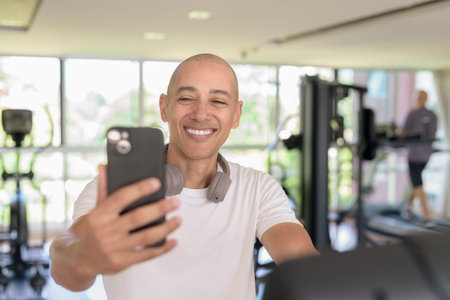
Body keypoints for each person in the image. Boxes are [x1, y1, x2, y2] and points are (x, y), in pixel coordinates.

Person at [50, 53, 318, 299]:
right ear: (164, 107)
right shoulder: (114, 188)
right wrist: (83, 256)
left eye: (218, 101)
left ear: (236, 114)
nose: (201, 114)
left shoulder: (258, 188)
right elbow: (67, 271)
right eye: (187, 98)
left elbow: (309, 271)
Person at [399, 90, 437, 228]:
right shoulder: (433, 115)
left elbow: (403, 132)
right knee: (416, 183)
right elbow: (433, 135)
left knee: (418, 185)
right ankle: (407, 209)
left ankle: (427, 217)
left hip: (415, 155)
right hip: (426, 155)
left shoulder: (412, 114)